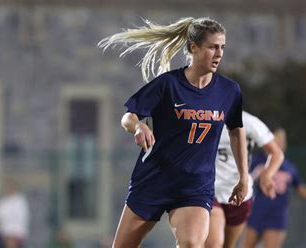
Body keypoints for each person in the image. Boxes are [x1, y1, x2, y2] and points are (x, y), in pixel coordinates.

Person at [98, 17, 249, 248]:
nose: (219, 53)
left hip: (194, 187)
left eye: (222, 47)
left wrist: (243, 177)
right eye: (212, 47)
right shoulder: (168, 85)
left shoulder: (229, 91)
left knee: (191, 244)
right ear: (193, 48)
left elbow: (236, 131)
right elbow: (128, 117)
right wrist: (139, 126)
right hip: (153, 180)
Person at [205, 111, 284, 248]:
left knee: (227, 245)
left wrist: (267, 175)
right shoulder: (201, 117)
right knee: (213, 244)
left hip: (240, 193)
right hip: (210, 190)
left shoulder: (248, 121)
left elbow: (276, 153)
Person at [0, 178, 29, 248]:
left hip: (17, 234)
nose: (10, 189)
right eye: (8, 187)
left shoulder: (20, 201)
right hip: (5, 234)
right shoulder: (3, 201)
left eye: (11, 187)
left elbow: (23, 218)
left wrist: (17, 234)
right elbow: (0, 217)